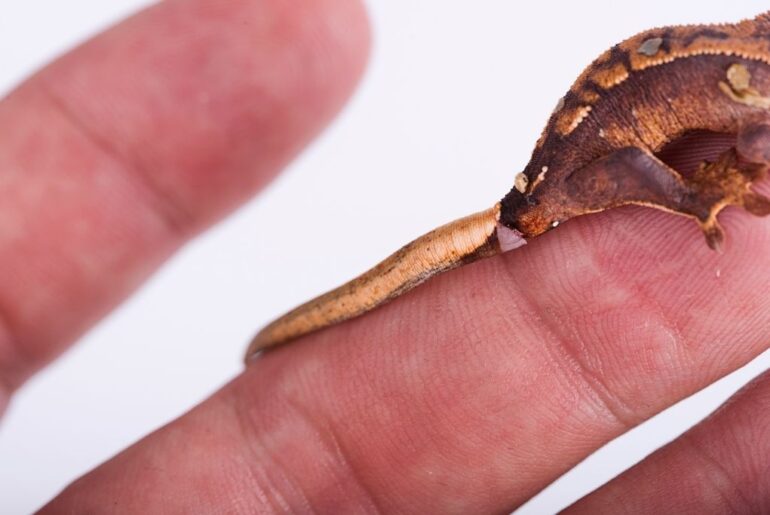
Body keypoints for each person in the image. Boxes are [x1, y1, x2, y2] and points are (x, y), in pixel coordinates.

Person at [2, 0, 769, 512]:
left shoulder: (750, 61)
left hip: (574, 157)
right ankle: (696, 201)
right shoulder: (751, 80)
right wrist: (712, 190)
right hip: (573, 175)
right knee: (648, 176)